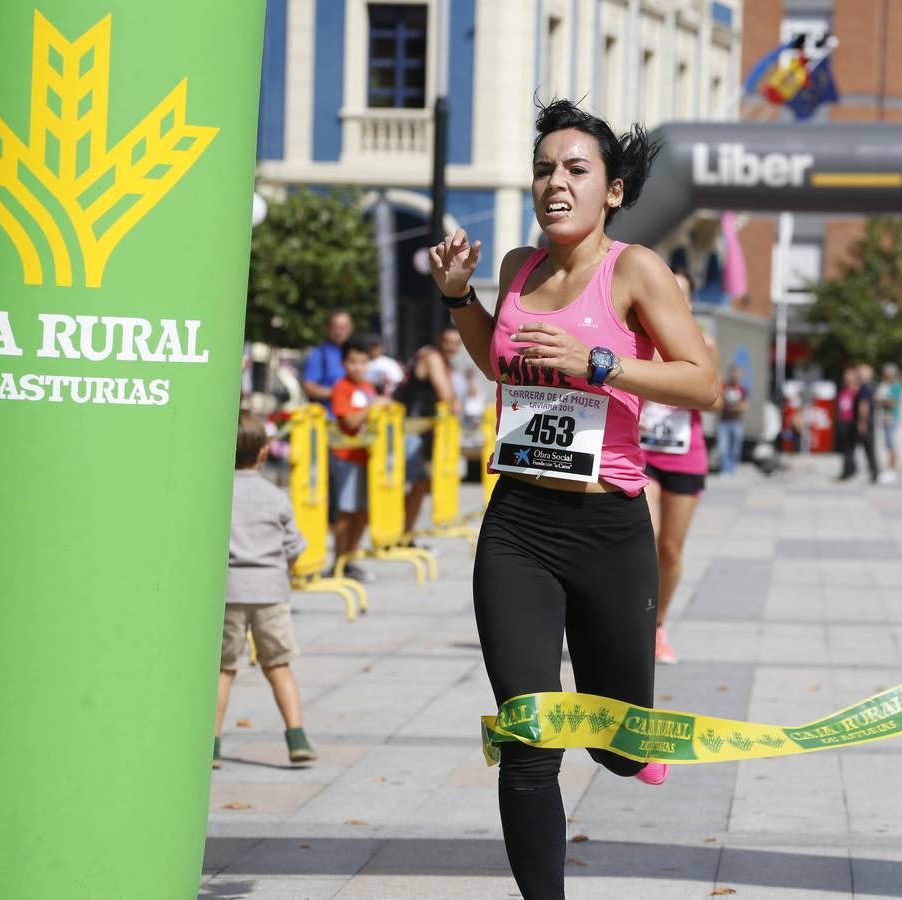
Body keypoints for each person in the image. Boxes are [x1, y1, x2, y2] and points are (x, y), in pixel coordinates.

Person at [428, 98, 719, 899]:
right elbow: (499, 367)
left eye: (574, 170)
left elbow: (705, 384)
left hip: (607, 530)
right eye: (543, 169)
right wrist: (460, 299)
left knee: (618, 746)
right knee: (530, 740)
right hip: (517, 525)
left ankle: (630, 744)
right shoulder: (519, 267)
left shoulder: (636, 271)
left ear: (612, 192)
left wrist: (601, 362)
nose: (554, 183)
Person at [215, 411, 316, 768]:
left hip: (229, 592)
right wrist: (280, 571)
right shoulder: (275, 497)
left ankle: (211, 743)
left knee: (224, 669)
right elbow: (294, 547)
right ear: (263, 454)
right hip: (270, 593)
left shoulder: (218, 493)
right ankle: (297, 737)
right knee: (278, 665)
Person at [640, 270, 720, 666]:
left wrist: (684, 392)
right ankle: (631, 623)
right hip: (641, 455)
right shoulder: (637, 341)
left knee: (670, 549)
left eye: (678, 293)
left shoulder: (704, 344)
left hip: (685, 455)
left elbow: (714, 398)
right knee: (645, 536)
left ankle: (658, 627)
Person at [330, 338, 392, 575]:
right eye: (352, 362)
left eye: (363, 362)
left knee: (363, 512)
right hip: (346, 457)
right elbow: (349, 421)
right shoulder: (341, 388)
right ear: (344, 362)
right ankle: (337, 562)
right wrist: (373, 407)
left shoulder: (367, 387)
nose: (358, 367)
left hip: (368, 458)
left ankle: (349, 559)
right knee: (346, 512)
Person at [392, 341, 457, 537]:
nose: (453, 347)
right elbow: (446, 396)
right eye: (450, 342)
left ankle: (404, 533)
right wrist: (454, 404)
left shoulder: (429, 356)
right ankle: (400, 533)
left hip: (411, 430)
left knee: (417, 483)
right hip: (410, 430)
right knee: (414, 482)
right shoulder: (433, 358)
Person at [301, 309, 354, 410]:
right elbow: (308, 387)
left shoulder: (356, 353)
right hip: (328, 420)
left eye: (343, 327)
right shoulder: (319, 354)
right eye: (335, 327)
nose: (339, 331)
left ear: (350, 328)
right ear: (328, 328)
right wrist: (340, 393)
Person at [717, 364, 748, 476]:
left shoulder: (742, 389)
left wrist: (730, 406)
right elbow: (720, 403)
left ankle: (732, 468)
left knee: (735, 448)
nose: (735, 376)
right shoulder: (724, 387)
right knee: (723, 447)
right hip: (724, 422)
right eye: (733, 373)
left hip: (737, 422)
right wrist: (733, 406)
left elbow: (743, 406)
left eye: (737, 373)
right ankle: (725, 470)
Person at [877, 363, 902, 482]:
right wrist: (884, 401)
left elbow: (892, 403)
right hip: (884, 417)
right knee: (888, 444)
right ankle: (889, 468)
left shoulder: (896, 386)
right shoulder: (883, 385)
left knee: (891, 443)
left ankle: (892, 469)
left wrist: (883, 401)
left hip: (892, 417)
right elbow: (877, 399)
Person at [834, 365, 862, 481]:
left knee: (849, 448)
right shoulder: (843, 391)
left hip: (851, 422)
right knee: (845, 448)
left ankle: (848, 471)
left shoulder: (857, 391)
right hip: (842, 422)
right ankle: (850, 469)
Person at [854, 363, 880, 484]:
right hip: (870, 420)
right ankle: (874, 472)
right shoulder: (871, 386)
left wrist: (862, 422)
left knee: (868, 448)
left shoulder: (864, 387)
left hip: (866, 421)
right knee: (870, 448)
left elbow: (864, 405)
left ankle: (874, 473)